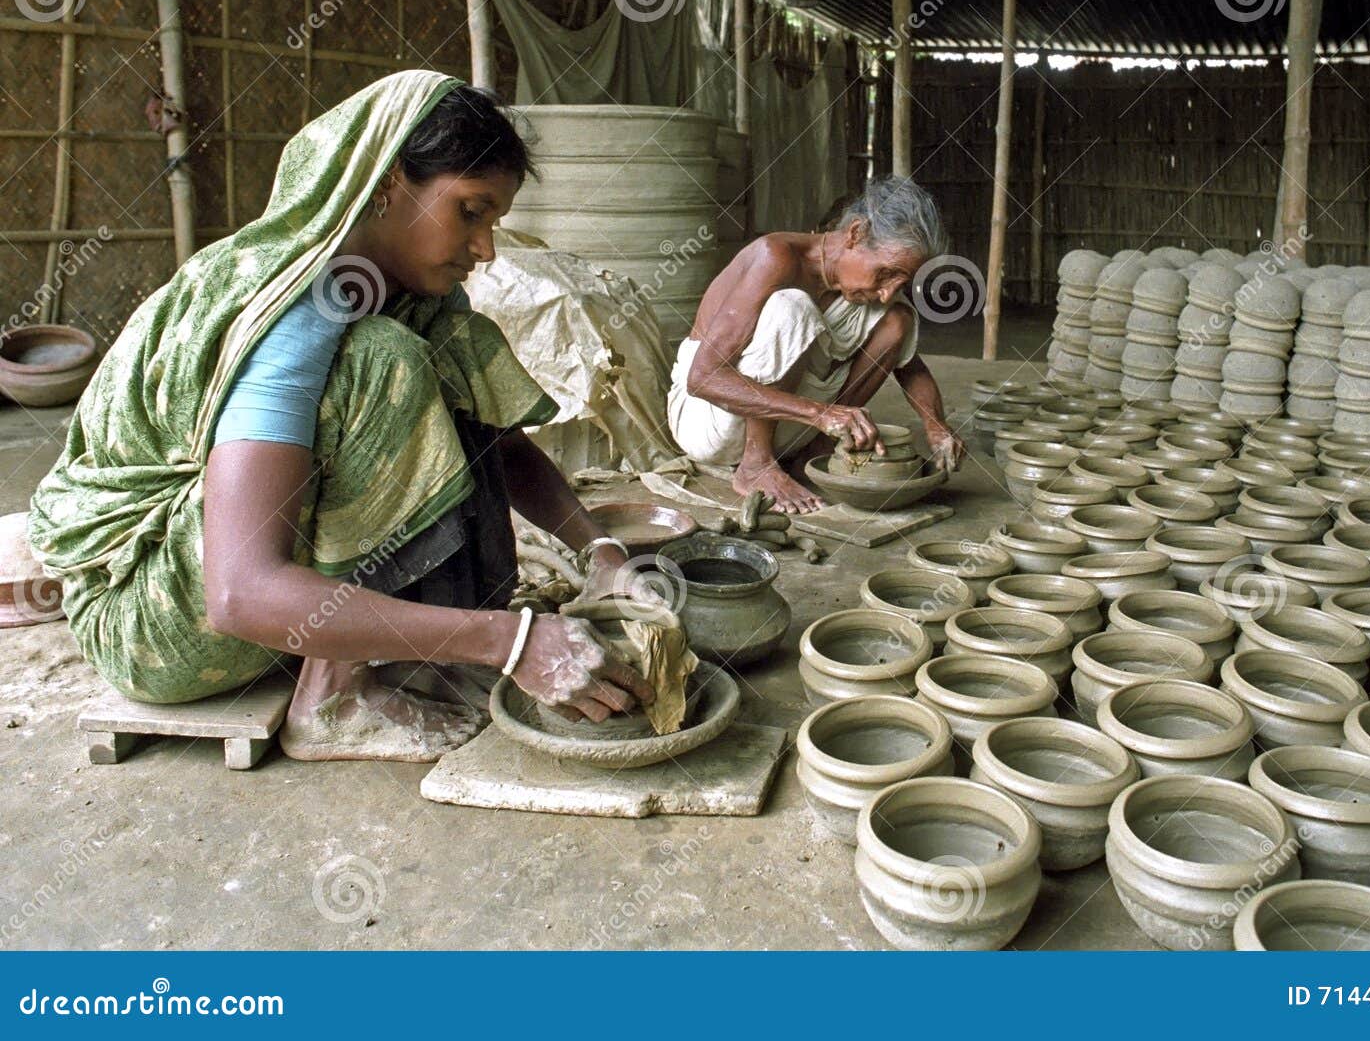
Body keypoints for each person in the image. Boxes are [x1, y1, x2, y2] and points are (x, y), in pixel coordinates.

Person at [29, 71, 653, 762]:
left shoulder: (416, 295)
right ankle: (333, 697)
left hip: (227, 593)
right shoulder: (300, 310)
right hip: (148, 613)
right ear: (388, 183)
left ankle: (391, 654)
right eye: (470, 211)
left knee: (449, 354)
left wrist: (600, 550)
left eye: (494, 222)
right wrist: (506, 641)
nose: (486, 250)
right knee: (385, 364)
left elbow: (501, 444)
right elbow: (239, 591)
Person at [667, 176, 966, 513]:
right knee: (792, 307)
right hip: (710, 422)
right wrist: (820, 413)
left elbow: (910, 368)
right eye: (885, 273)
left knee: (897, 320)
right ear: (856, 234)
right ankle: (755, 465)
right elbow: (703, 379)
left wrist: (937, 426)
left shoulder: (864, 293)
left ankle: (811, 455)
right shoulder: (775, 257)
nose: (886, 290)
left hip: (794, 430)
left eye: (901, 281)